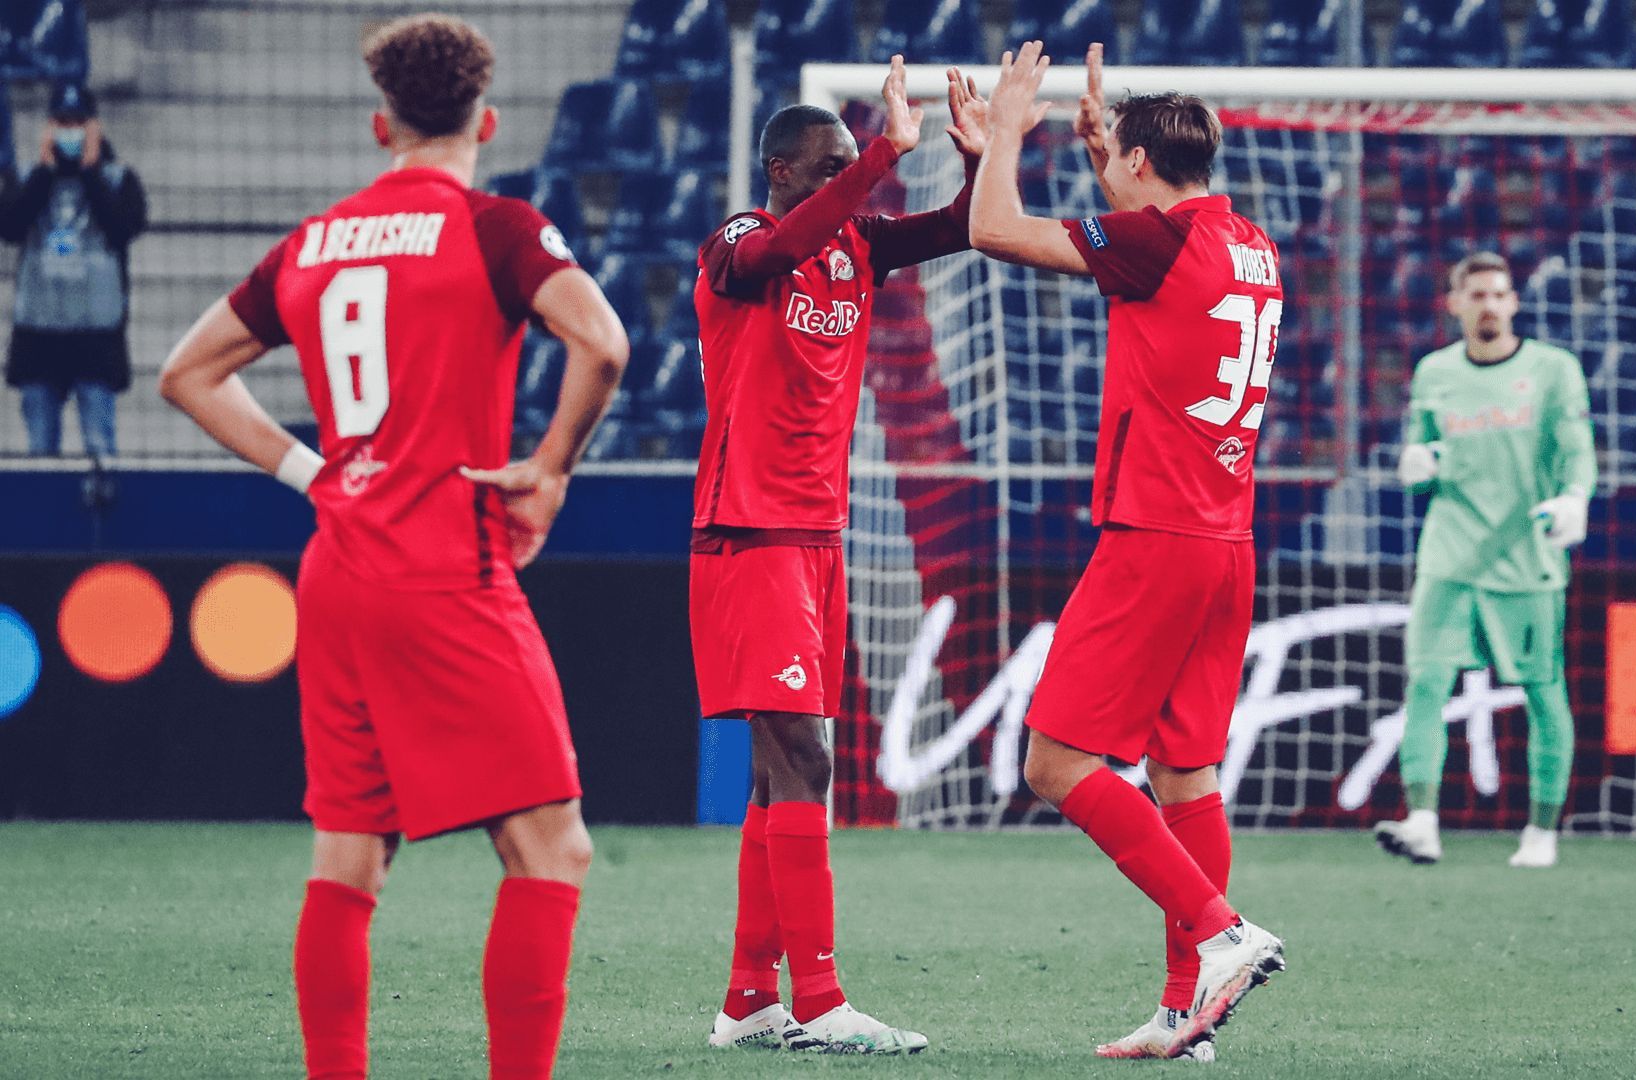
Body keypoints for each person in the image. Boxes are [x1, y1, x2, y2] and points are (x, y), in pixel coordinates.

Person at [157, 16, 628, 1079]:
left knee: (349, 861)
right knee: (551, 848)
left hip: (337, 569)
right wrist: (548, 466)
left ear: (382, 127)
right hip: (444, 566)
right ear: (486, 121)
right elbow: (601, 340)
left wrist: (310, 472)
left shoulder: (314, 241)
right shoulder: (494, 226)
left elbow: (185, 374)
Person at [969, 40, 1286, 1062]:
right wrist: (1105, 149)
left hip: (1152, 536)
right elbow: (1137, 223)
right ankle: (1183, 1013)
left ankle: (1222, 933)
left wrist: (1007, 133)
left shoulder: (1152, 245)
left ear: (1143, 168)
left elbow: (990, 228)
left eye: (1116, 160)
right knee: (1184, 773)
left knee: (1056, 763)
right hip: (1226, 540)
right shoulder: (1250, 243)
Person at [693, 57, 987, 1055]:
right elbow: (757, 261)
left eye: (850, 165)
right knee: (804, 759)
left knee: (779, 774)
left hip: (819, 535)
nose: (844, 181)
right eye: (826, 167)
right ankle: (817, 1004)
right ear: (777, 170)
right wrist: (878, 165)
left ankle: (747, 1001)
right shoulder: (738, 239)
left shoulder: (856, 243)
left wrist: (981, 164)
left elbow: (953, 230)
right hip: (750, 528)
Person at [1372, 251, 1597, 870]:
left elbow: (1578, 449)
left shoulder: (1555, 371)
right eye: (1477, 295)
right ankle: (1421, 822)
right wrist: (1416, 465)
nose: (1489, 305)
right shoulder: (1434, 373)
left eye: (1499, 294)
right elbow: (1423, 450)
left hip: (1525, 556)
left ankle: (1542, 832)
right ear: (1456, 304)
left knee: (1543, 691)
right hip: (1449, 553)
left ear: (1514, 302)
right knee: (1425, 683)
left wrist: (1576, 496)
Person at [0, 82, 147, 457]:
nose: (70, 130)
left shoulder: (119, 180)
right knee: (40, 454)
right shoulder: (27, 178)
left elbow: (122, 227)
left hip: (95, 341)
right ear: (49, 126)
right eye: (62, 121)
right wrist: (44, 173)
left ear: (94, 126)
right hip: (38, 339)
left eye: (78, 121)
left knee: (100, 449)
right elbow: (11, 227)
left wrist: (90, 171)